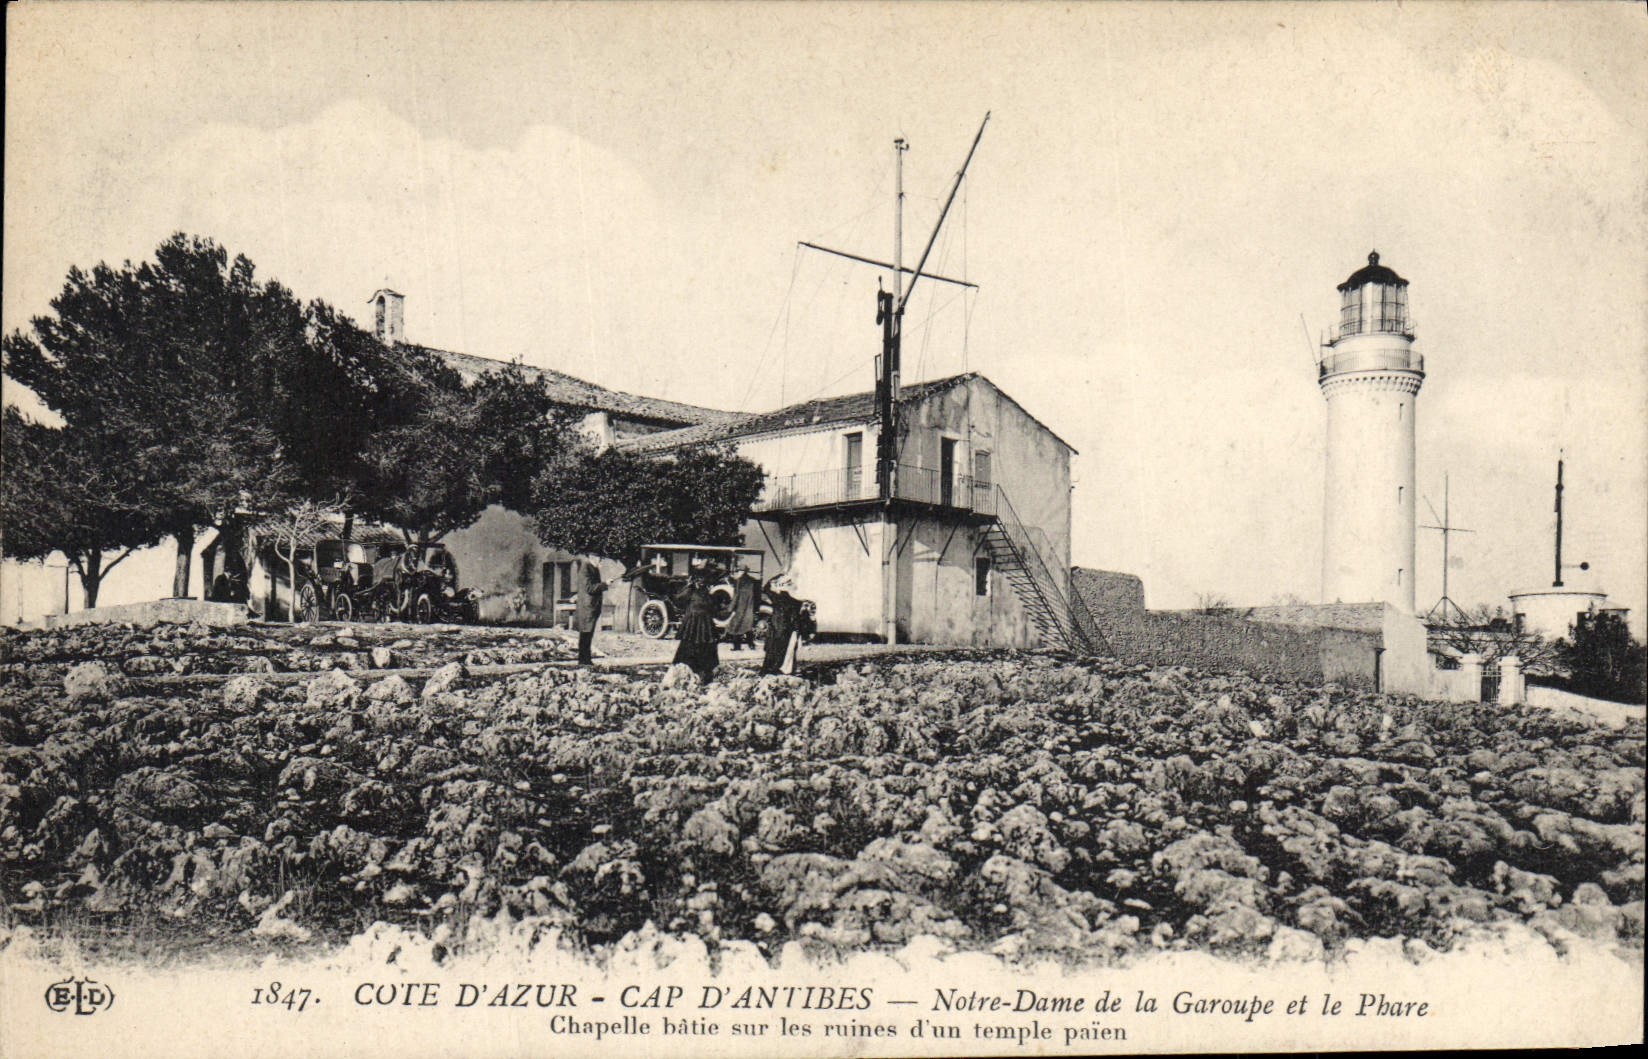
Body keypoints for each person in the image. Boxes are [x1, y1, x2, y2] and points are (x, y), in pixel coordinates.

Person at [672, 560, 721, 683]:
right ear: (695, 580)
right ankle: (688, 674)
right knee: (689, 648)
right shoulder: (690, 591)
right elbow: (678, 601)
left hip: (704, 625)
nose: (701, 582)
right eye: (699, 579)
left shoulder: (707, 594)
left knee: (705, 649)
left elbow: (714, 609)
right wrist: (687, 587)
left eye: (703, 579)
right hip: (693, 624)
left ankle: (704, 675)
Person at [761, 572, 804, 676]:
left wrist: (778, 576)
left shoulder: (778, 598)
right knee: (785, 652)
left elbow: (766, 588)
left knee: (772, 652)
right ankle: (781, 671)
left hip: (776, 629)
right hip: (787, 630)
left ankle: (768, 672)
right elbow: (796, 619)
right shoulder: (796, 602)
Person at [573, 561, 607, 666]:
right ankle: (583, 660)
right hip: (587, 607)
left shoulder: (592, 568)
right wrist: (605, 584)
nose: (600, 561)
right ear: (591, 557)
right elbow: (589, 588)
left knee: (588, 634)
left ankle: (586, 660)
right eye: (598, 558)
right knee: (585, 634)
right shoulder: (586, 568)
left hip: (591, 607)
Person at [723, 564, 760, 649]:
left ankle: (737, 647)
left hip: (741, 607)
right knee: (747, 626)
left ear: (741, 571)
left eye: (737, 571)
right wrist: (756, 608)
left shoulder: (739, 581)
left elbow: (736, 596)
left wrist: (730, 608)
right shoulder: (752, 581)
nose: (736, 573)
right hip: (749, 607)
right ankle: (751, 645)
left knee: (736, 626)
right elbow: (757, 596)